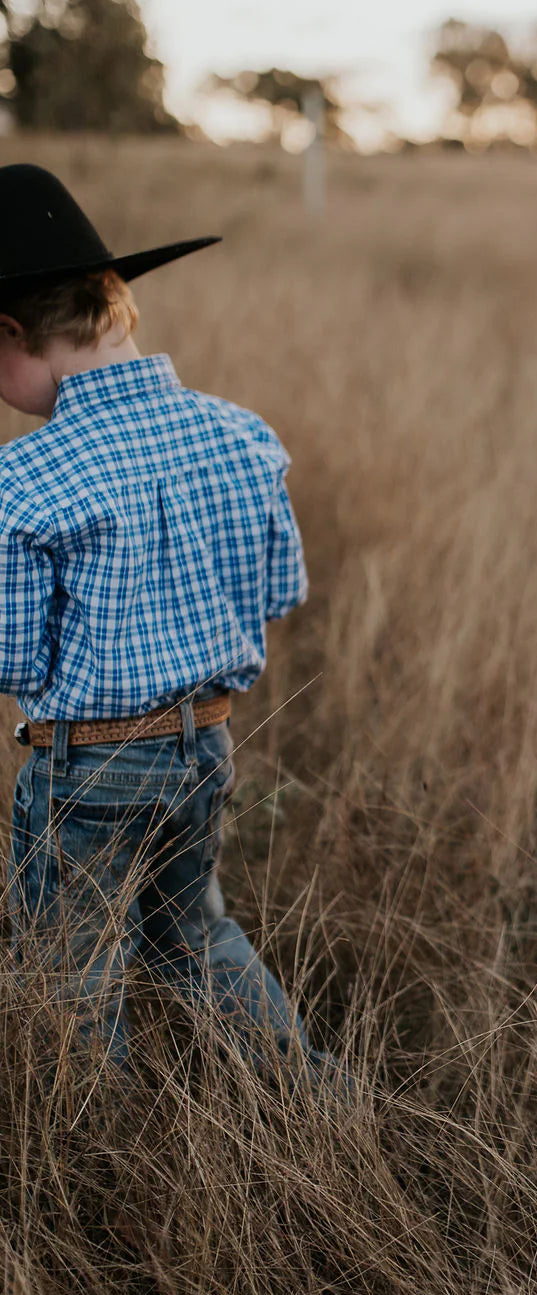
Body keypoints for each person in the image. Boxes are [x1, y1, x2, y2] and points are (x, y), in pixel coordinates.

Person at [0, 162, 328, 1078]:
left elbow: (12, 653)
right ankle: (312, 1094)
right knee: (196, 933)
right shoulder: (241, 433)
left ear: (12, 333)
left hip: (90, 765)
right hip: (205, 748)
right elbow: (280, 590)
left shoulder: (25, 478)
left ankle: (94, 1173)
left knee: (73, 972)